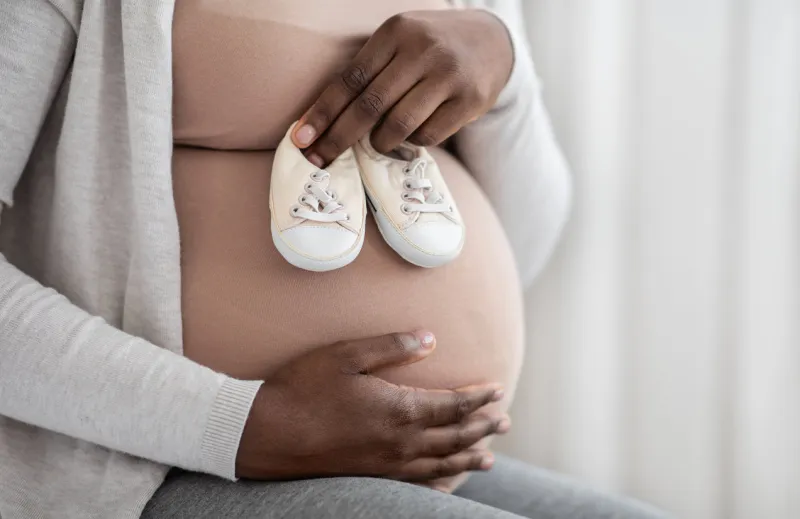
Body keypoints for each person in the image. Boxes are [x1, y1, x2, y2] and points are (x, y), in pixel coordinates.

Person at [0, 1, 667, 518]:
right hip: (129, 463)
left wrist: (508, 73)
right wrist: (233, 423)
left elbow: (522, 246)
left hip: (423, 457)